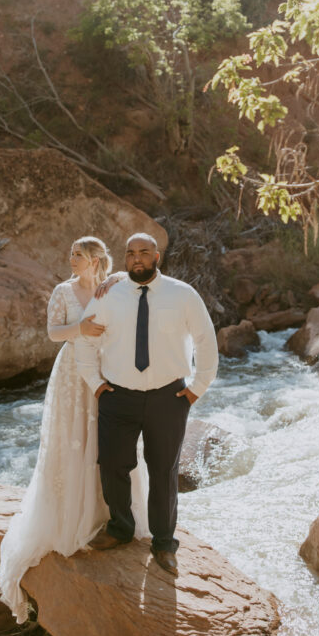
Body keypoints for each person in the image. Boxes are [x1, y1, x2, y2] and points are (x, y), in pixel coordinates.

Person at [0, 235, 148, 623]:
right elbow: (53, 333)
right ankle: (73, 518)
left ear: (95, 260)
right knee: (74, 441)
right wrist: (80, 327)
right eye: (71, 254)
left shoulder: (112, 285)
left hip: (108, 368)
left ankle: (114, 514)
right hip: (71, 375)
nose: (71, 259)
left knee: (110, 441)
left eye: (77, 255)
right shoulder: (63, 291)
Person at [74, 232, 218, 577]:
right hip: (117, 397)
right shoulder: (108, 294)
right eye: (130, 253)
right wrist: (96, 385)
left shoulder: (183, 295)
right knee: (111, 465)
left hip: (168, 398)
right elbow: (86, 340)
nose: (137, 258)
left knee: (164, 472)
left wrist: (198, 388)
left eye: (144, 252)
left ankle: (164, 544)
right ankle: (120, 529)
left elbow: (205, 339)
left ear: (157, 257)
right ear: (124, 259)